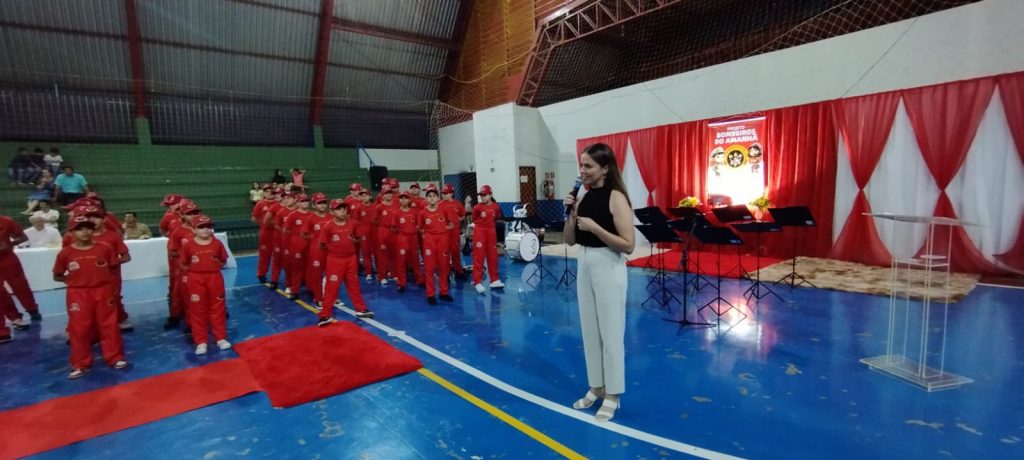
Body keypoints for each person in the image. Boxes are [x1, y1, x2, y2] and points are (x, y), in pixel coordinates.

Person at [563, 143, 635, 422]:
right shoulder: (582, 195)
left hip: (609, 265)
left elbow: (628, 245)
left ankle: (614, 394)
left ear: (605, 168)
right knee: (590, 331)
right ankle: (597, 386)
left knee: (611, 333)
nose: (583, 171)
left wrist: (596, 228)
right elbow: (570, 239)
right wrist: (570, 212)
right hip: (585, 263)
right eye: (581, 166)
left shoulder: (617, 197)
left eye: (589, 166)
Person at [52, 216, 128, 379]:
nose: (85, 232)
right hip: (78, 294)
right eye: (79, 228)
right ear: (71, 232)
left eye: (88, 228)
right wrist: (74, 281)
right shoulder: (65, 253)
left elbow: (113, 268)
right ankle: (80, 363)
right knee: (79, 328)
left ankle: (115, 357)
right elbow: (57, 275)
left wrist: (104, 283)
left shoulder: (105, 248)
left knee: (109, 324)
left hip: (103, 291)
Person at [316, 199, 375, 327]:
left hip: (351, 259)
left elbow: (358, 237)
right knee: (331, 288)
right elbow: (322, 245)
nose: (342, 211)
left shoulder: (352, 223)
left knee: (354, 284)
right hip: (335, 260)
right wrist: (336, 250)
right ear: (332, 211)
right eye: (339, 209)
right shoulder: (328, 227)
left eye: (344, 208)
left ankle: (360, 309)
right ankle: (325, 314)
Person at [179, 214, 231, 355]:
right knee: (197, 310)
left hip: (215, 278)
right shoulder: (188, 245)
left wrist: (212, 268)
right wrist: (195, 272)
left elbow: (223, 260)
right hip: (196, 279)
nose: (206, 229)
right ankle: (201, 341)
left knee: (218, 308)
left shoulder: (217, 243)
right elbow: (182, 263)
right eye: (201, 227)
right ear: (194, 229)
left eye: (208, 226)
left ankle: (220, 338)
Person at [0, 213, 42, 325]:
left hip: (8, 259)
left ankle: (33, 310)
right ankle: (14, 317)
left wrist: (10, 243)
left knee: (21, 286)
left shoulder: (6, 221)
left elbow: (23, 237)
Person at [418, 185, 453, 305]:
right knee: (429, 268)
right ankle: (430, 294)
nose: (432, 198)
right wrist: (427, 235)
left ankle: (443, 292)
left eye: (434, 196)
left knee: (443, 266)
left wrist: (442, 230)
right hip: (429, 240)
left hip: (442, 239)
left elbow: (451, 224)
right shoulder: (423, 213)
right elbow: (420, 227)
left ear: (438, 197)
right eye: (429, 196)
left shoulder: (444, 210)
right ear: (426, 198)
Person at [471, 185, 504, 294]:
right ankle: (477, 281)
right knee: (479, 256)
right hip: (480, 231)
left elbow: (496, 218)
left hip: (491, 231)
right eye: (481, 195)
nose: (483, 197)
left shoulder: (496, 207)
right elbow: (474, 219)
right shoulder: (477, 207)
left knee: (493, 255)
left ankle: (494, 280)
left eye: (485, 195)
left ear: (490, 195)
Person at [304, 192, 332, 307]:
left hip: (330, 250)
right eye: (319, 203)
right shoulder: (310, 218)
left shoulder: (331, 217)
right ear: (314, 205)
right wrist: (315, 239)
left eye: (324, 203)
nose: (322, 205)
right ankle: (318, 297)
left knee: (332, 274)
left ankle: (332, 296)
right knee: (317, 275)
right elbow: (304, 233)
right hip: (316, 251)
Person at [393, 191, 423, 293]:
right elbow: (394, 228)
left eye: (406, 198)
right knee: (401, 261)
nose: (403, 200)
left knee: (415, 259)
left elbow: (419, 225)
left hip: (413, 238)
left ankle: (420, 280)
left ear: (409, 199)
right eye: (401, 198)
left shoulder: (415, 212)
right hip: (402, 238)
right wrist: (403, 232)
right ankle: (401, 283)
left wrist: (414, 230)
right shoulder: (396, 213)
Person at [440, 184, 467, 278]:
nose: (444, 195)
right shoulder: (439, 205)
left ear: (451, 193)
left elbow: (463, 215)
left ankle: (458, 271)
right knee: (445, 253)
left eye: (446, 193)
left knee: (455, 252)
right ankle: (445, 274)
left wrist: (456, 221)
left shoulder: (457, 204)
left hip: (454, 232)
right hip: (444, 232)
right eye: (443, 193)